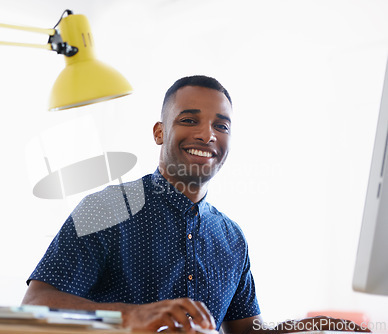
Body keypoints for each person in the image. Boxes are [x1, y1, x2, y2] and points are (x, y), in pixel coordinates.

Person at [22, 76, 368, 334]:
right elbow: (36, 304)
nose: (208, 135)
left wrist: (303, 327)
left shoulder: (232, 237)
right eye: (189, 120)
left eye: (221, 125)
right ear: (159, 132)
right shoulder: (107, 206)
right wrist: (132, 315)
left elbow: (245, 330)